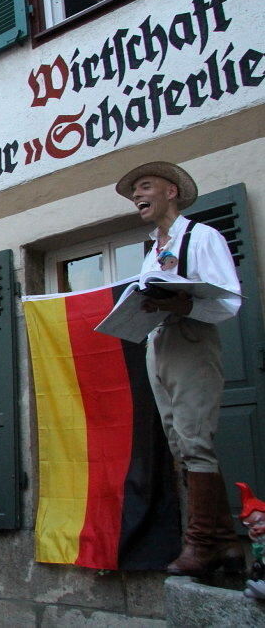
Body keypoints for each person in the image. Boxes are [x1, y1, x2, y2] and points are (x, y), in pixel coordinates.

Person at [115, 161, 243, 575]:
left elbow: (229, 302)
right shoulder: (153, 249)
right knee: (180, 443)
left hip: (191, 339)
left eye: (144, 187)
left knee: (195, 439)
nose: (136, 196)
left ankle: (201, 542)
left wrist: (184, 303)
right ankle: (223, 543)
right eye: (134, 191)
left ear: (172, 192)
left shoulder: (202, 236)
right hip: (159, 341)